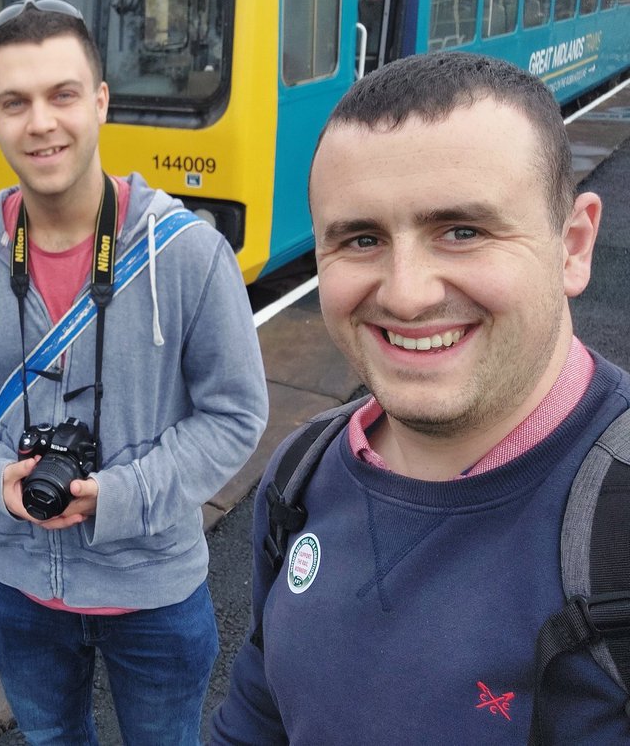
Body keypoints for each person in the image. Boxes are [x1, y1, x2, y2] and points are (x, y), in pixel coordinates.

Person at [210, 52, 630, 743]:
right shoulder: (300, 472)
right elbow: (260, 705)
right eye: (361, 239)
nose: (406, 294)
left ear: (573, 245)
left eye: (463, 232)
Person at [0, 0, 268, 745]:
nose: (41, 122)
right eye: (16, 102)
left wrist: (121, 496)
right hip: (18, 587)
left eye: (63, 94)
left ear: (101, 102)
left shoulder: (189, 254)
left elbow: (235, 412)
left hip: (155, 592)